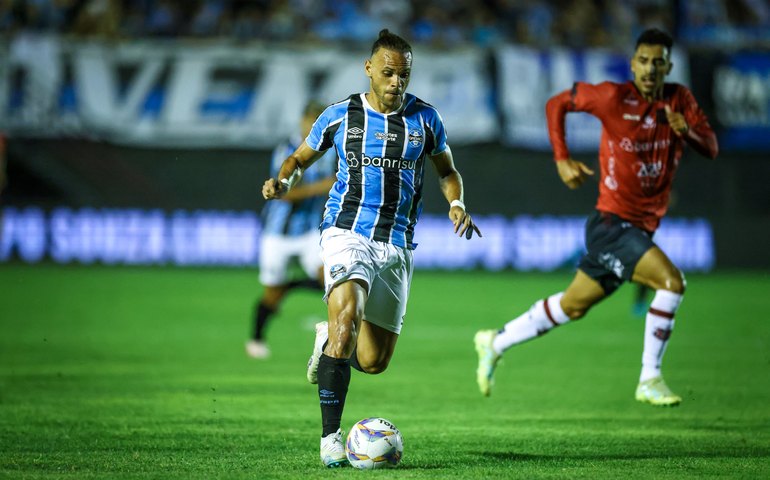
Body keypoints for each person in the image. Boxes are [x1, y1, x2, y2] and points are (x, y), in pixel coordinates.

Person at [262, 29, 482, 467]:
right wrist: (284, 180)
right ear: (369, 69)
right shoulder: (341, 115)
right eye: (388, 72)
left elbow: (447, 170)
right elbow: (299, 158)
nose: (397, 82)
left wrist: (456, 202)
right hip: (347, 232)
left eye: (404, 74)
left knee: (374, 360)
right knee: (346, 321)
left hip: (397, 244)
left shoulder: (426, 120)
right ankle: (330, 439)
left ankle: (326, 344)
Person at [474, 28, 718, 406]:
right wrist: (561, 158)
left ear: (669, 65)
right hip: (611, 225)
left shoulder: (678, 100)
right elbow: (557, 103)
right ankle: (649, 378)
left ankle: (496, 341)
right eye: (643, 61)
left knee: (572, 305)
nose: (650, 69)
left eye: (658, 62)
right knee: (671, 283)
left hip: (639, 229)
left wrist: (689, 133)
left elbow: (712, 147)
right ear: (633, 63)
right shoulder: (612, 97)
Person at [246, 101, 337, 359]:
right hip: (277, 234)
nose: (313, 127)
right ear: (302, 121)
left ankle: (333, 334)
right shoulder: (287, 150)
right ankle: (256, 338)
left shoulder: (332, 152)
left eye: (319, 122)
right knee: (272, 293)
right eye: (310, 121)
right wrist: (324, 186)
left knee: (330, 280)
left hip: (311, 231)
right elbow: (285, 194)